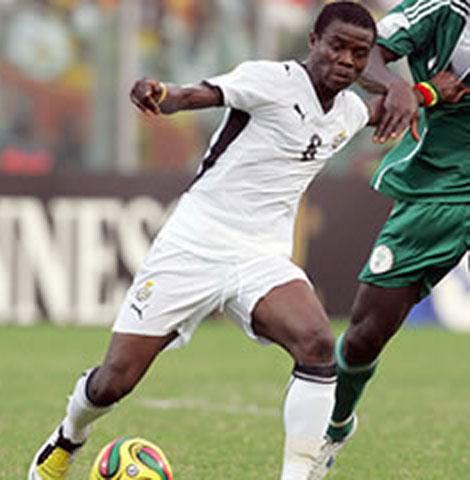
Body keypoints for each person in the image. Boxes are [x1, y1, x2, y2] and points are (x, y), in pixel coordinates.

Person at [28, 3, 384, 479]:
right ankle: (68, 436)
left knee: (318, 345)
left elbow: (379, 109)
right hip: (194, 243)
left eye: (359, 54)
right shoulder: (270, 80)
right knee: (115, 381)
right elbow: (198, 94)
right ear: (313, 40)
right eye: (337, 46)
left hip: (261, 256)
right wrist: (162, 94)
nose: (346, 60)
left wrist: (423, 92)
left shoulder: (349, 111)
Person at [315, 0, 470, 474]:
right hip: (437, 189)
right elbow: (369, 54)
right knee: (364, 336)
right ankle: (335, 425)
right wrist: (404, 88)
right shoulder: (444, 9)